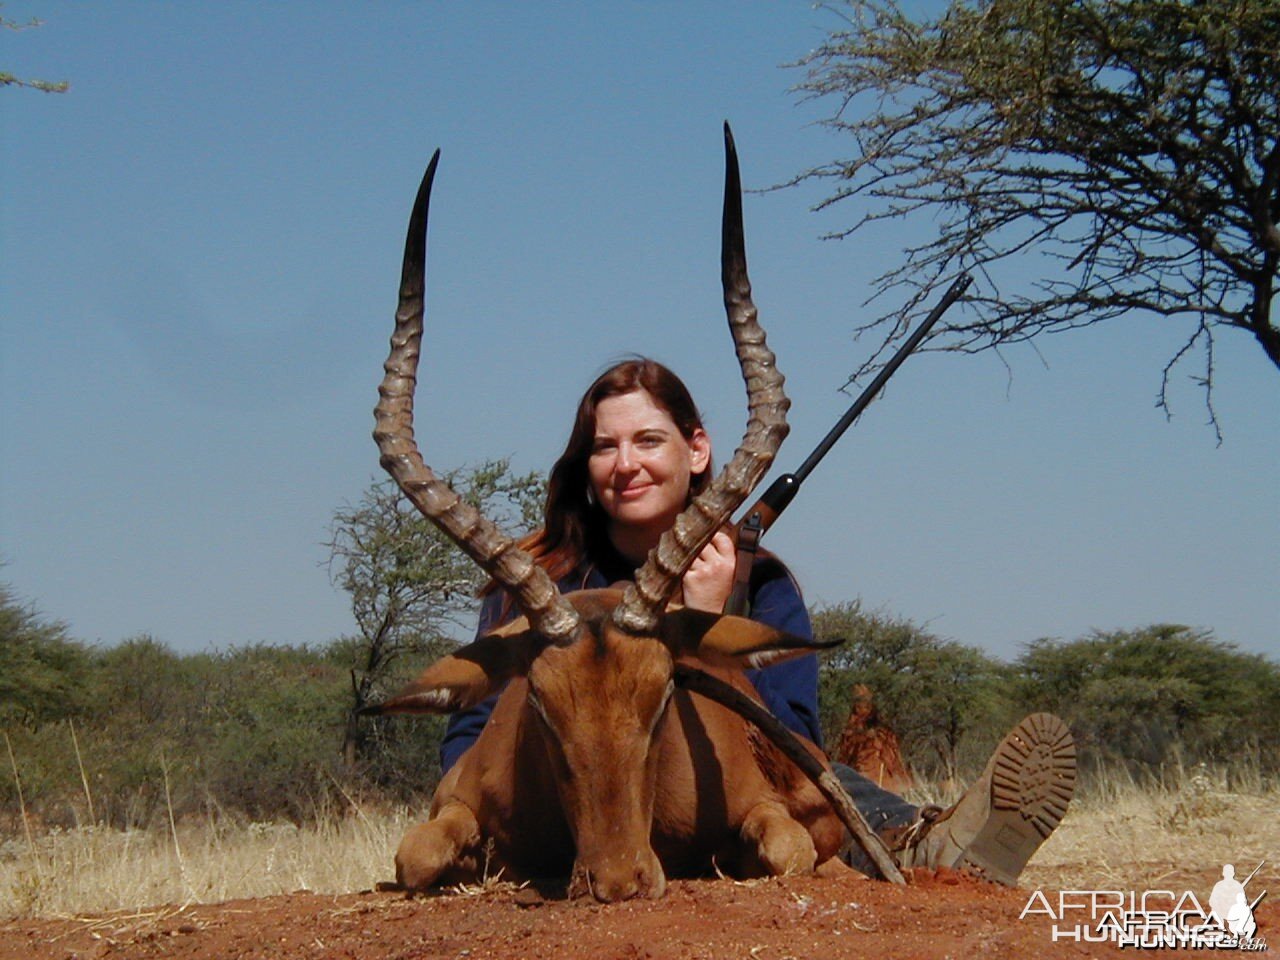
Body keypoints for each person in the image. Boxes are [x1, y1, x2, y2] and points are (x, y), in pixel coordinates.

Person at [440, 357, 1074, 883]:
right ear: (586, 466)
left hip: (711, 805)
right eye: (605, 446)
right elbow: (473, 732)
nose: (624, 464)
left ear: (697, 450)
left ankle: (921, 845)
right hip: (558, 807)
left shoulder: (758, 580)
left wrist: (709, 627)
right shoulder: (537, 580)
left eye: (648, 440)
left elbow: (794, 739)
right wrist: (464, 812)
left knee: (818, 788)